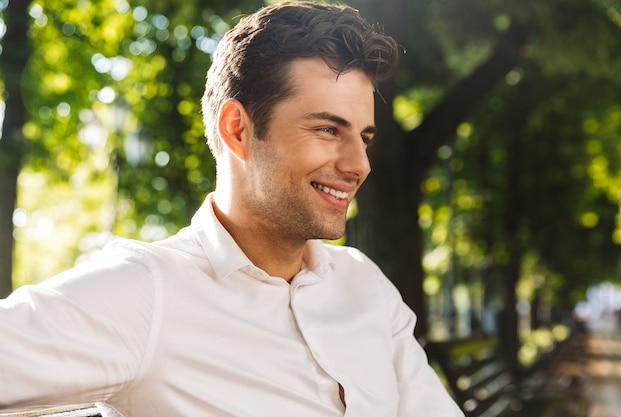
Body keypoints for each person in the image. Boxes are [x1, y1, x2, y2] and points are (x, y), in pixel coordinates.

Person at [0, 2, 463, 416]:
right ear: (237, 129)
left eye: (363, 137)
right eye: (327, 129)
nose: (358, 165)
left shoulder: (365, 284)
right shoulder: (147, 293)